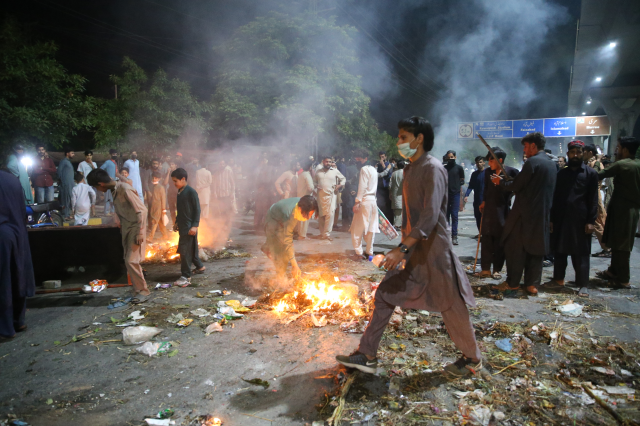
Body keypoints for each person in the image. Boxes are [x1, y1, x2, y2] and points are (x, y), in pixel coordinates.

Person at [336, 116, 482, 378]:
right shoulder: (411, 169)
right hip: (414, 251)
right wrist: (405, 248)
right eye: (399, 137)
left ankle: (472, 359)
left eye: (403, 137)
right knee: (385, 294)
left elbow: (429, 216)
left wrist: (400, 250)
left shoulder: (433, 168)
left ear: (420, 138)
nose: (398, 142)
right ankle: (367, 354)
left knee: (451, 306)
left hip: (435, 253)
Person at [491, 132, 557, 295]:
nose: (525, 151)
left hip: (523, 214)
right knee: (536, 249)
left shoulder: (532, 163)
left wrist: (501, 182)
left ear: (534, 146)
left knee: (514, 248)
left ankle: (513, 283)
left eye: (526, 147)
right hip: (541, 214)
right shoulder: (551, 164)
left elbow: (517, 185)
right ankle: (531, 284)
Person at [86, 169, 151, 299]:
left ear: (101, 184)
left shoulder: (125, 189)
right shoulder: (114, 190)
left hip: (135, 227)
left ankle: (144, 291)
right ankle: (138, 289)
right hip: (127, 228)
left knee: (131, 260)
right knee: (128, 261)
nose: (97, 190)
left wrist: (140, 232)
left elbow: (142, 211)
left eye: (96, 187)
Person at [544, 140, 598, 294]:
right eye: (572, 152)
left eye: (578, 152)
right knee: (559, 251)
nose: (575, 155)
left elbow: (593, 200)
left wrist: (591, 221)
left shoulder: (591, 174)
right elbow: (554, 197)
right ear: (568, 154)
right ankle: (558, 280)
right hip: (561, 219)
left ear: (583, 153)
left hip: (581, 220)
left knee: (580, 253)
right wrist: (552, 219)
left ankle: (583, 285)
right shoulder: (561, 174)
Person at [595, 137, 640, 290]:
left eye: (619, 147)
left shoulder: (622, 165)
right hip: (631, 210)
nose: (616, 150)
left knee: (622, 245)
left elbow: (599, 175)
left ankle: (623, 279)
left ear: (625, 150)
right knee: (618, 241)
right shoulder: (637, 164)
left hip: (623, 211)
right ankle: (613, 271)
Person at [0, 170, 36, 342]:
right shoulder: (11, 179)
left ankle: (5, 328)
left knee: (4, 281)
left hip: (1, 232)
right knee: (18, 274)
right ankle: (18, 321)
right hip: (18, 231)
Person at [477, 148, 519, 279]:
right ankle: (485, 268)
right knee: (486, 238)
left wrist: (502, 183)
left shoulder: (512, 172)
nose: (489, 163)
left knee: (500, 241)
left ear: (500, 160)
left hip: (503, 210)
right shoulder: (488, 172)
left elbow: (516, 187)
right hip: (489, 209)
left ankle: (497, 269)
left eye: (491, 160)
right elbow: (486, 188)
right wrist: (483, 201)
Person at [262, 195, 317, 281]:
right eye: (309, 214)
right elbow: (287, 241)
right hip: (272, 221)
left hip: (278, 217)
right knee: (282, 253)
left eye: (312, 214)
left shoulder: (302, 203)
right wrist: (295, 266)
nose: (310, 217)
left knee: (282, 245)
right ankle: (281, 280)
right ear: (300, 209)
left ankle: (267, 247)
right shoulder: (289, 216)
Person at [171, 168, 205, 287]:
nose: (174, 184)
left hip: (189, 227)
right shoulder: (180, 191)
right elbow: (180, 210)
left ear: (183, 179)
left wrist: (195, 226)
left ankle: (185, 276)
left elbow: (197, 210)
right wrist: (176, 222)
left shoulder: (191, 192)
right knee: (192, 248)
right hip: (183, 226)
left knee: (185, 251)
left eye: (175, 181)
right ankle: (200, 267)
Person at [350, 151, 379, 259]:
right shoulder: (374, 170)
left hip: (365, 200)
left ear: (365, 158)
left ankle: (358, 253)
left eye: (359, 158)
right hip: (373, 201)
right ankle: (369, 252)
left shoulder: (364, 169)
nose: (357, 160)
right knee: (371, 227)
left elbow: (362, 187)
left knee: (357, 227)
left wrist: (357, 202)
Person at [584, 144, 609, 258]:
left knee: (598, 222)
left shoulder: (594, 164)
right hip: (596, 194)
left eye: (584, 151)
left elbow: (593, 177)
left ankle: (607, 248)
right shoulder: (593, 163)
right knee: (601, 221)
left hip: (595, 194)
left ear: (590, 152)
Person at [314, 156, 346, 241]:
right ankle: (322, 233)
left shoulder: (334, 171)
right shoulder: (318, 172)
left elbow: (343, 179)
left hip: (332, 196)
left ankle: (327, 234)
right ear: (323, 162)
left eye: (329, 162)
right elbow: (314, 182)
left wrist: (339, 186)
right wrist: (316, 186)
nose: (328, 163)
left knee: (330, 214)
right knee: (321, 215)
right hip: (321, 196)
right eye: (326, 162)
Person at [444, 150, 465, 245]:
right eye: (449, 157)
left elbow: (462, 179)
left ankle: (454, 236)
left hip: (455, 194)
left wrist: (458, 186)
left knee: (454, 216)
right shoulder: (444, 168)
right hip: (446, 195)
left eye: (452, 157)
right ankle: (446, 236)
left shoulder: (459, 168)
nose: (450, 159)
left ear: (455, 157)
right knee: (446, 216)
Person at [210, 159, 236, 231]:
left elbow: (233, 183)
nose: (221, 165)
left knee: (227, 210)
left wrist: (232, 193)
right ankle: (222, 224)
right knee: (221, 210)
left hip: (227, 194)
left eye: (223, 164)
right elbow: (214, 184)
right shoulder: (216, 173)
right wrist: (214, 193)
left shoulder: (229, 171)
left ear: (225, 164)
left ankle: (227, 224)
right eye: (220, 164)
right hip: (219, 195)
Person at [464, 156, 486, 236]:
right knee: (478, 217)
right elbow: (470, 186)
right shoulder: (474, 174)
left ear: (484, 163)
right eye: (477, 162)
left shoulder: (487, 173)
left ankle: (485, 234)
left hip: (485, 200)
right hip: (477, 200)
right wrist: (466, 195)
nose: (478, 164)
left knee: (485, 218)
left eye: (480, 162)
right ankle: (480, 233)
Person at [148, 172, 169, 242]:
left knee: (154, 221)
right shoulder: (153, 187)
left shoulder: (161, 187)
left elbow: (163, 199)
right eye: (153, 178)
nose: (154, 179)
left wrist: (163, 209)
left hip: (159, 207)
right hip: (154, 206)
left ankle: (150, 237)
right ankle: (165, 235)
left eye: (156, 178)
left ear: (159, 179)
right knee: (160, 222)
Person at [296, 160, 315, 240]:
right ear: (310, 167)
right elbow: (310, 188)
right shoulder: (307, 175)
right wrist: (315, 188)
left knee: (300, 217)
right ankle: (302, 235)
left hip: (299, 197)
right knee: (305, 217)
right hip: (306, 198)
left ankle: (300, 234)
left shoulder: (301, 175)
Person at [375, 152, 394, 224]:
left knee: (387, 204)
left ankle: (388, 221)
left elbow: (388, 174)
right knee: (380, 204)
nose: (381, 159)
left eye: (383, 157)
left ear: (385, 157)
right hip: (379, 187)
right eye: (380, 157)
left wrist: (383, 165)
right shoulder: (377, 165)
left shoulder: (389, 165)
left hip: (386, 187)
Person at [57, 147, 75, 219]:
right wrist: (61, 181)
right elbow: (59, 172)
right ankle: (65, 215)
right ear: (67, 153)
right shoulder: (63, 161)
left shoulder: (68, 161)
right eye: (72, 153)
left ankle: (67, 214)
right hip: (65, 184)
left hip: (70, 184)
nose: (73, 154)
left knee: (69, 199)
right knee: (65, 199)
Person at [100, 149, 119, 216]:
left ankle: (112, 211)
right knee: (108, 198)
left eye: (116, 154)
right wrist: (107, 176)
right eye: (113, 154)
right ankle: (106, 212)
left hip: (115, 182)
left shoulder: (115, 163)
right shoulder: (107, 162)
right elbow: (101, 169)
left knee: (114, 197)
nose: (115, 155)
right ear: (110, 155)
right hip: (108, 183)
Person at [389, 160, 405, 229]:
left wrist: (391, 193)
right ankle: (397, 225)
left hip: (395, 196)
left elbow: (390, 185)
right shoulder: (405, 173)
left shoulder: (393, 174)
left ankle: (397, 225)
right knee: (400, 212)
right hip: (403, 195)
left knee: (397, 212)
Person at [166, 160, 178, 225]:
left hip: (177, 192)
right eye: (170, 164)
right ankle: (174, 224)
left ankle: (179, 223)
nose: (171, 165)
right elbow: (165, 182)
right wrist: (168, 173)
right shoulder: (169, 173)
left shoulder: (178, 173)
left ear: (175, 165)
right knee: (172, 210)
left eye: (172, 164)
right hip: (170, 192)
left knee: (179, 209)